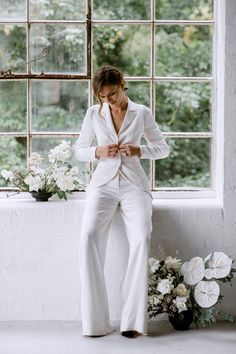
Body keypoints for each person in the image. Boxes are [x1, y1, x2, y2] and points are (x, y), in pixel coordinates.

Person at [74, 65, 169, 338]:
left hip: (133, 186)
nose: (108, 100)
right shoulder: (94, 114)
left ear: (122, 85)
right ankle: (96, 323)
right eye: (103, 96)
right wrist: (98, 151)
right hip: (102, 185)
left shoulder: (142, 113)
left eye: (112, 94)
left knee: (141, 236)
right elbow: (80, 150)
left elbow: (163, 148)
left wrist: (140, 149)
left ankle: (133, 322)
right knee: (89, 236)